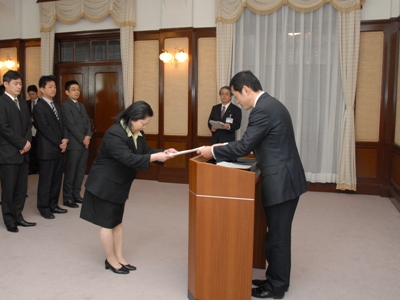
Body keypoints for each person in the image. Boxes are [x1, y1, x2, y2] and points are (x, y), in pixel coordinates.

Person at [198, 70, 307, 299]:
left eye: (237, 95)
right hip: (286, 177)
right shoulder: (271, 104)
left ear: (246, 89)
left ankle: (276, 287)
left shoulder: (262, 110)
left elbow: (243, 146)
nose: (237, 100)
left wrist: (212, 150)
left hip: (281, 181)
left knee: (277, 237)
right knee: (278, 234)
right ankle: (277, 280)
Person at [80, 101, 177, 275]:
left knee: (116, 222)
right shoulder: (114, 134)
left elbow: (144, 150)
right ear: (133, 118)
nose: (144, 126)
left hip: (119, 184)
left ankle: (119, 257)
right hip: (105, 184)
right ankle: (110, 260)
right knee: (107, 224)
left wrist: (164, 153)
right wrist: (157, 156)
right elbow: (129, 159)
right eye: (143, 122)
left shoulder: (137, 132)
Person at [0, 70, 36, 232]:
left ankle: (18, 215)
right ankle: (9, 220)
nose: (19, 86)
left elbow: (28, 125)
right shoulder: (1, 102)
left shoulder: (22, 103)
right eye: (15, 83)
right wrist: (22, 143)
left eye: (20, 83)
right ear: (6, 84)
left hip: (24, 151)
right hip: (9, 153)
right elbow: (4, 128)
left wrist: (27, 142)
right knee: (9, 189)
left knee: (22, 189)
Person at [33, 75, 69, 219]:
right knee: (46, 180)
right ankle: (43, 207)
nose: (54, 89)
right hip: (47, 149)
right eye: (50, 87)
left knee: (56, 179)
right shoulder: (39, 107)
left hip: (59, 148)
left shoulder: (57, 105)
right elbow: (45, 129)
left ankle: (53, 204)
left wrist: (65, 139)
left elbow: (63, 125)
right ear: (42, 89)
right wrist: (59, 142)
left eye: (54, 86)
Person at [61, 80, 91, 208]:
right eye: (73, 89)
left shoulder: (81, 105)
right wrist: (82, 138)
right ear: (67, 92)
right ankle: (67, 198)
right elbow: (70, 125)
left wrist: (88, 136)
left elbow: (88, 122)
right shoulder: (65, 106)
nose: (76, 91)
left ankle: (76, 194)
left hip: (85, 144)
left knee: (80, 171)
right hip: (74, 144)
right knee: (71, 171)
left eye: (78, 89)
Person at [26, 85, 41, 175]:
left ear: (37, 93)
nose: (31, 96)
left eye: (33, 94)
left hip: (39, 130)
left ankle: (39, 168)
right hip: (30, 129)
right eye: (30, 94)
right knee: (31, 150)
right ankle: (32, 168)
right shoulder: (26, 103)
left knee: (39, 150)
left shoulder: (41, 102)